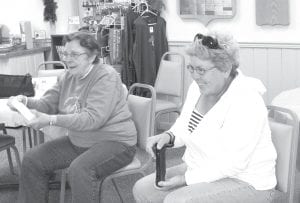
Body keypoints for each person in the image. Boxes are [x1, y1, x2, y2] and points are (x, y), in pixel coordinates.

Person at [133, 31, 278, 202]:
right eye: (191, 68)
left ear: (226, 69)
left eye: (201, 70)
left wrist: (186, 179)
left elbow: (233, 163)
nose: (195, 76)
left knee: (177, 201)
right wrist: (169, 136)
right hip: (201, 168)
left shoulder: (247, 100)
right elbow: (184, 124)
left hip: (246, 181)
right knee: (143, 189)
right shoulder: (198, 88)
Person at [8, 31, 137, 203]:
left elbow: (92, 119)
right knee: (33, 159)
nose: (67, 59)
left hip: (116, 143)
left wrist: (51, 119)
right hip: (80, 141)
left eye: (74, 54)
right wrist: (25, 101)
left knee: (80, 169)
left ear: (91, 57)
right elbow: (47, 104)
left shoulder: (106, 76)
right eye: (65, 53)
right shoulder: (67, 76)